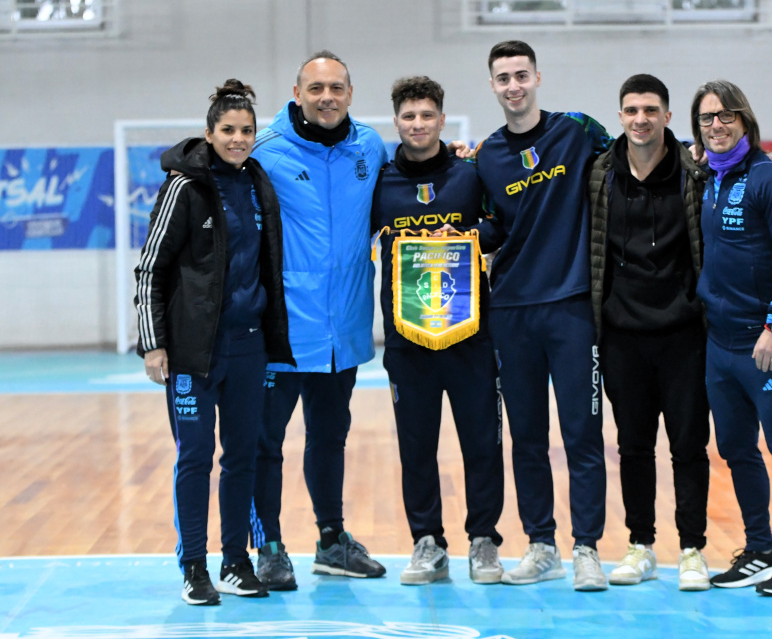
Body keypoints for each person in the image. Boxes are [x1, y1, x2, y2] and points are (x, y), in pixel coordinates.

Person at [134, 79, 294, 605]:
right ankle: (194, 567)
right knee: (195, 458)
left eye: (247, 130)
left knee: (242, 457)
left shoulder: (258, 183)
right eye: (228, 130)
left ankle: (234, 560)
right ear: (209, 133)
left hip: (250, 347)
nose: (238, 138)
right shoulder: (185, 187)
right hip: (193, 352)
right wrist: (153, 343)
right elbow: (151, 268)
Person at [472, 40, 613, 592]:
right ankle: (541, 544)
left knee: (582, 433)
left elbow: (635, 153)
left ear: (537, 77)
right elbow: (489, 227)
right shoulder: (484, 155)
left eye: (521, 75)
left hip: (573, 308)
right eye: (503, 77)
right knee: (527, 437)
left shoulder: (579, 129)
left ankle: (587, 548)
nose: (513, 86)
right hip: (511, 311)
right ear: (492, 85)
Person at [248, 51, 388, 590]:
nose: (326, 97)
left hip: (344, 330)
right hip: (282, 331)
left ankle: (332, 542)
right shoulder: (267, 152)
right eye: (316, 88)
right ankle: (270, 547)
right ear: (297, 92)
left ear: (350, 93)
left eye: (336, 87)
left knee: (330, 439)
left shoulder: (370, 148)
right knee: (267, 443)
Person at [371, 76, 505, 585]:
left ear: (442, 120)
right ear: (397, 122)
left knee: (482, 444)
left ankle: (484, 540)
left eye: (427, 115)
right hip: (408, 341)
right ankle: (427, 542)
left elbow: (502, 224)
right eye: (409, 116)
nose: (419, 124)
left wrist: (470, 234)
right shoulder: (380, 184)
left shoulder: (471, 173)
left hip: (471, 335)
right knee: (417, 446)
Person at [691, 80, 772, 596]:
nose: (716, 125)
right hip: (719, 345)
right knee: (736, 449)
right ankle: (761, 549)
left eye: (726, 116)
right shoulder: (708, 179)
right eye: (706, 118)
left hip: (767, 344)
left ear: (745, 120)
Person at [588, 74, 712, 590]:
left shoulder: (693, 171)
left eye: (651, 110)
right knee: (633, 446)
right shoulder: (599, 174)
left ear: (666, 116)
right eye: (631, 110)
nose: (641, 118)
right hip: (621, 335)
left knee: (688, 446)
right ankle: (640, 544)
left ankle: (692, 550)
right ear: (619, 116)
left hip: (684, 334)